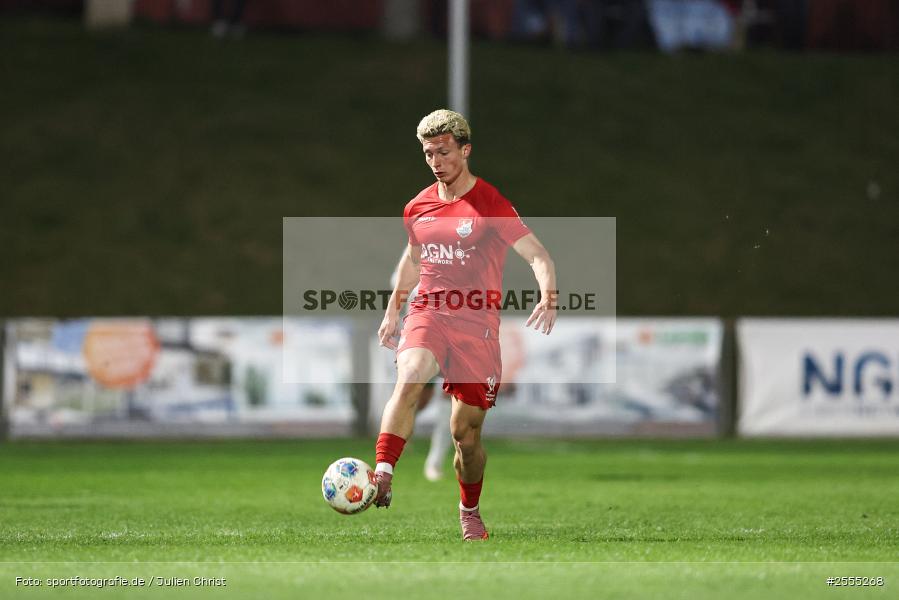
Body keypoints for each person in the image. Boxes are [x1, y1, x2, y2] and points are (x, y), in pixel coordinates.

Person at [373, 109, 558, 540]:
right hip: (430, 311)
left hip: (477, 326)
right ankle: (383, 471)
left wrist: (548, 295)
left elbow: (537, 255)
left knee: (465, 437)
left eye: (443, 151)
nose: (436, 161)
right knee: (410, 375)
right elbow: (415, 258)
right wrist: (393, 309)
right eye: (428, 153)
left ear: (465, 149)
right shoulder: (417, 206)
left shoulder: (490, 204)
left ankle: (469, 509)